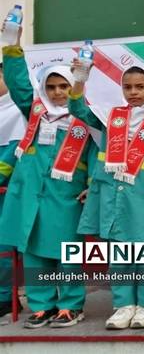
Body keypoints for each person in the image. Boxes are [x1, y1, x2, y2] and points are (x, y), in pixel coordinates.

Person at [69, 62, 144, 329]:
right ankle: (123, 306)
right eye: (127, 87)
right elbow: (78, 110)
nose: (133, 92)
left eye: (140, 87)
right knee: (119, 255)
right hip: (111, 196)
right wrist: (80, 80)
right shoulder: (112, 118)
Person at [0, 28, 96, 328]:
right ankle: (42, 305)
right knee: (34, 251)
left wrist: (92, 185)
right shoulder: (35, 113)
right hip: (30, 194)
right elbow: (18, 83)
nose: (57, 92)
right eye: (51, 86)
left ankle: (70, 305)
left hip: (66, 196)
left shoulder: (86, 117)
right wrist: (12, 47)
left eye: (63, 86)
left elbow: (98, 153)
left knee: (68, 252)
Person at [0, 57, 27, 319]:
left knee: (4, 247)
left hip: (7, 192)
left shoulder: (18, 111)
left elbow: (12, 153)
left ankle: (5, 297)